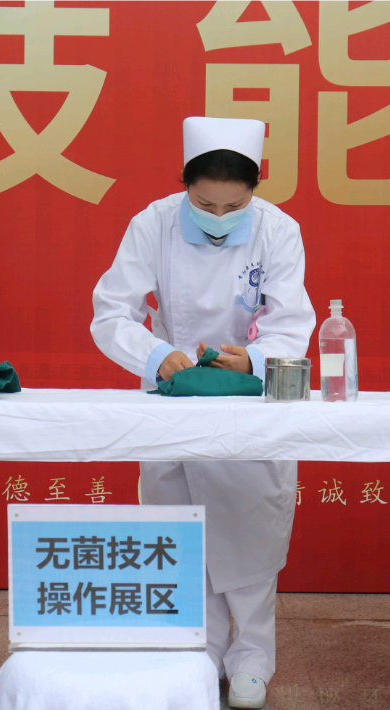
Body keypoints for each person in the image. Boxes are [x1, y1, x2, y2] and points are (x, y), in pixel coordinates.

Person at [91, 117, 315, 709]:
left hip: (249, 403)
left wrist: (255, 359)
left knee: (249, 531)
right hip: (175, 398)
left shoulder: (278, 230)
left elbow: (292, 321)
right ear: (185, 187)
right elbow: (111, 312)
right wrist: (155, 354)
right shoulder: (154, 223)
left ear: (254, 192)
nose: (218, 217)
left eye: (233, 206)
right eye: (204, 204)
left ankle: (252, 658)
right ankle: (198, 652)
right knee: (180, 531)